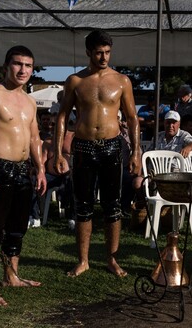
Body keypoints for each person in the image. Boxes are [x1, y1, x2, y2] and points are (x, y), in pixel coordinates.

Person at [53, 30, 140, 279]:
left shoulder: (122, 81)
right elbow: (62, 117)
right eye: (99, 52)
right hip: (83, 146)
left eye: (108, 52)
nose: (104, 57)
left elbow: (133, 118)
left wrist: (136, 152)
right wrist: (58, 152)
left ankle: (112, 260)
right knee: (83, 206)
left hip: (112, 146)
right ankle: (83, 260)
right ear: (89, 52)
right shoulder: (75, 81)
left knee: (113, 206)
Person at [0, 45, 47, 307]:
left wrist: (41, 168)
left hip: (23, 169)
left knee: (17, 229)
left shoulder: (29, 101)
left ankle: (11, 277)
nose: (23, 69)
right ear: (6, 66)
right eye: (18, 64)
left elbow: (35, 138)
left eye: (28, 65)